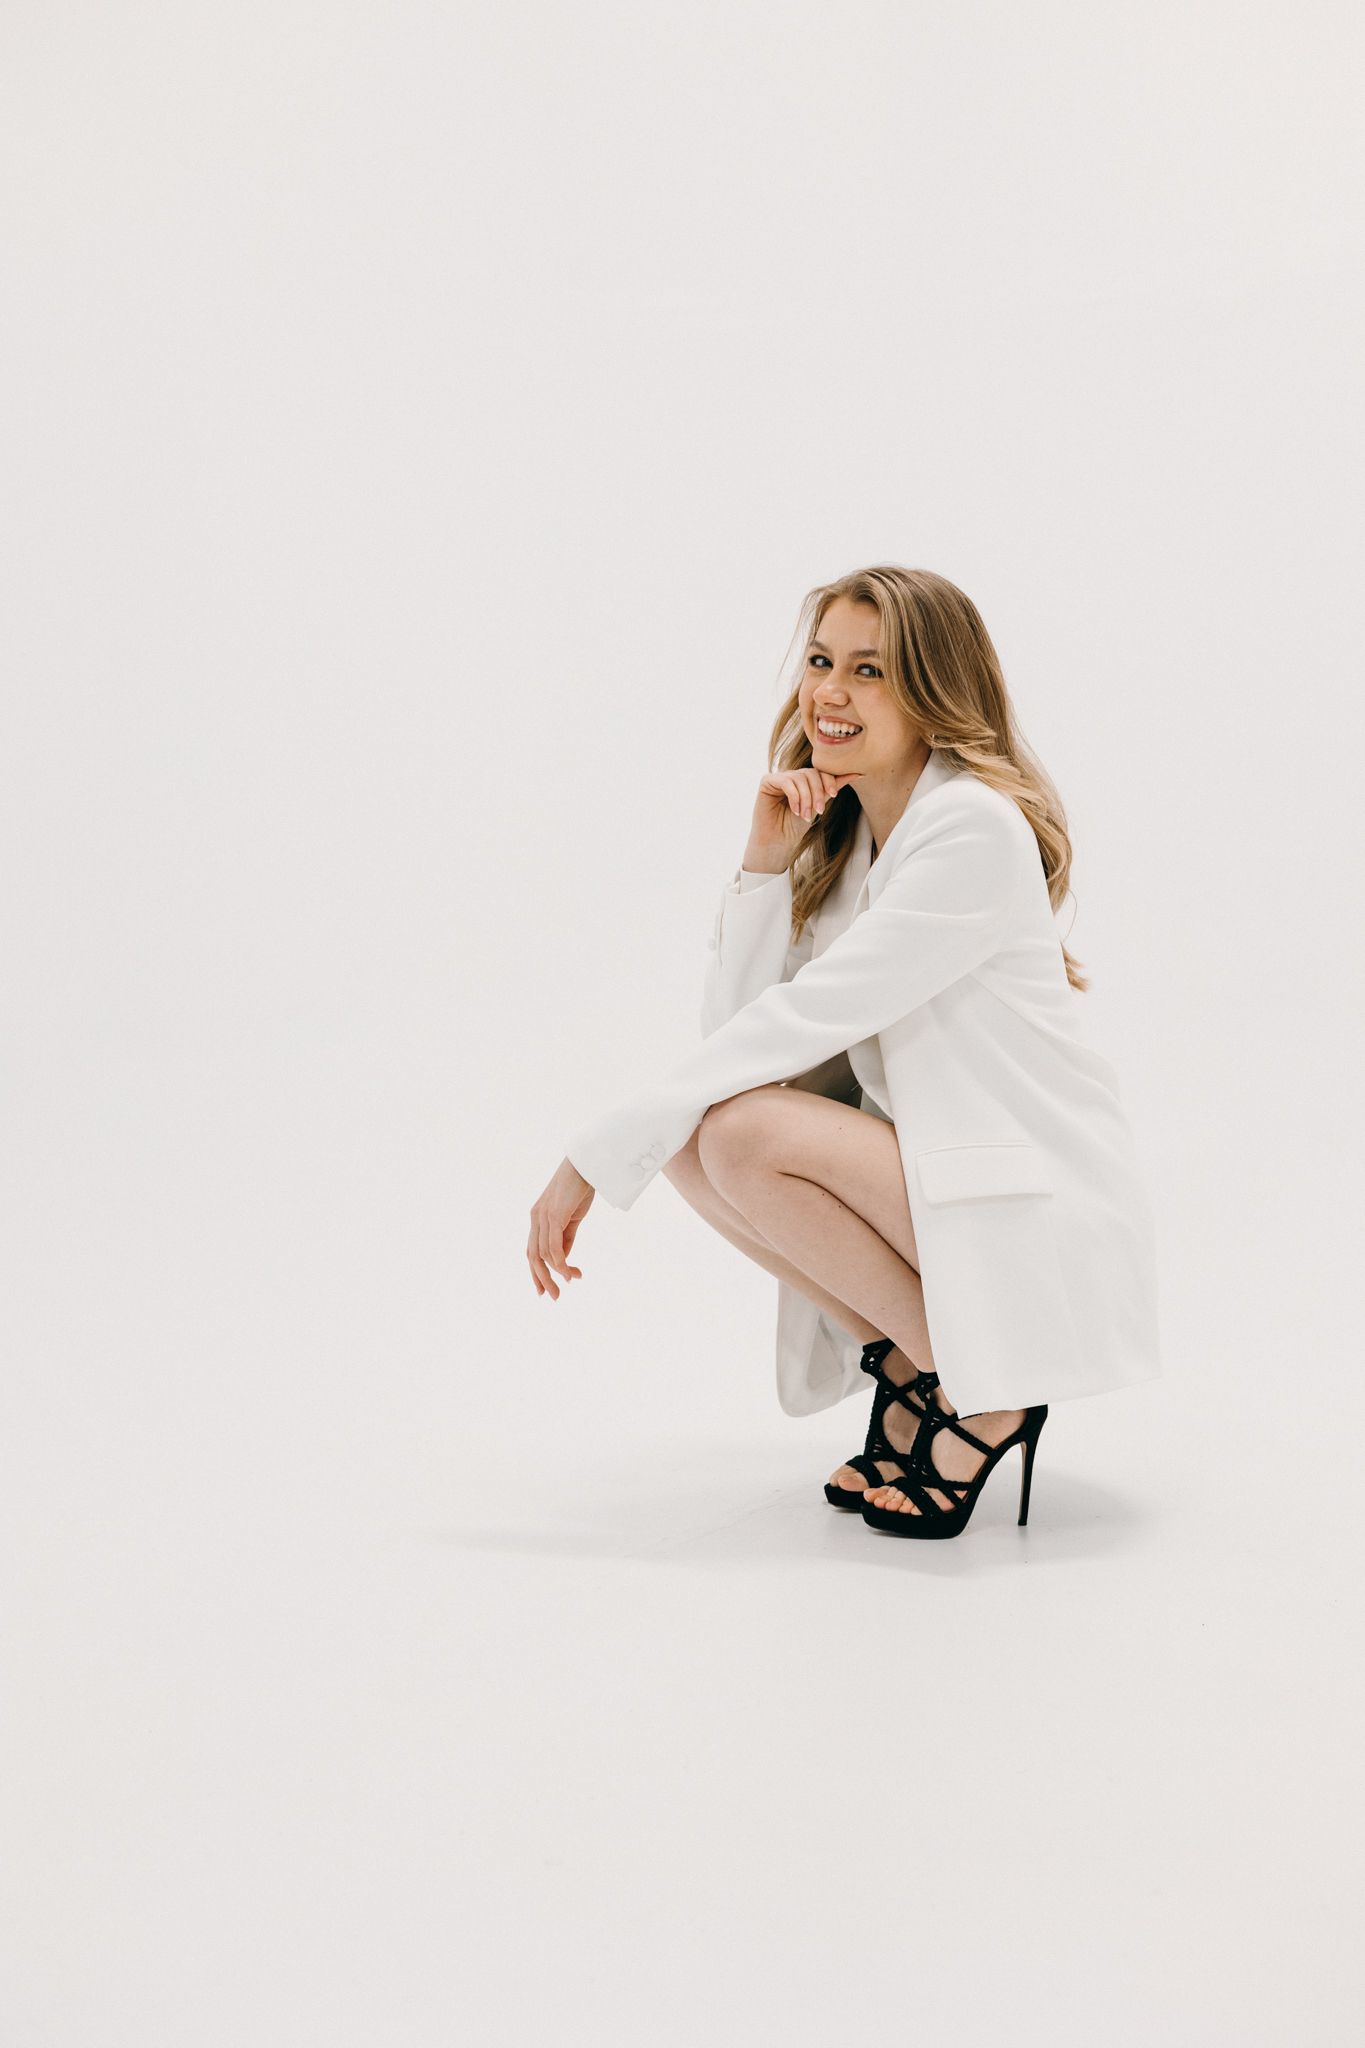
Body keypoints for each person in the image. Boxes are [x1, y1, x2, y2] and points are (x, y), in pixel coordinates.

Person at [527, 565, 1161, 1541]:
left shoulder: (970, 831)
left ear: (934, 692)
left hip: (1035, 1203)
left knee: (732, 1133)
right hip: (945, 1184)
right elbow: (737, 1039)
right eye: (822, 660)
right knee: (704, 1137)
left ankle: (986, 1398)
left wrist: (592, 1153)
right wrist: (764, 866)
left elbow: (802, 1021)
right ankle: (918, 1365)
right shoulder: (858, 829)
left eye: (870, 669)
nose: (829, 690)